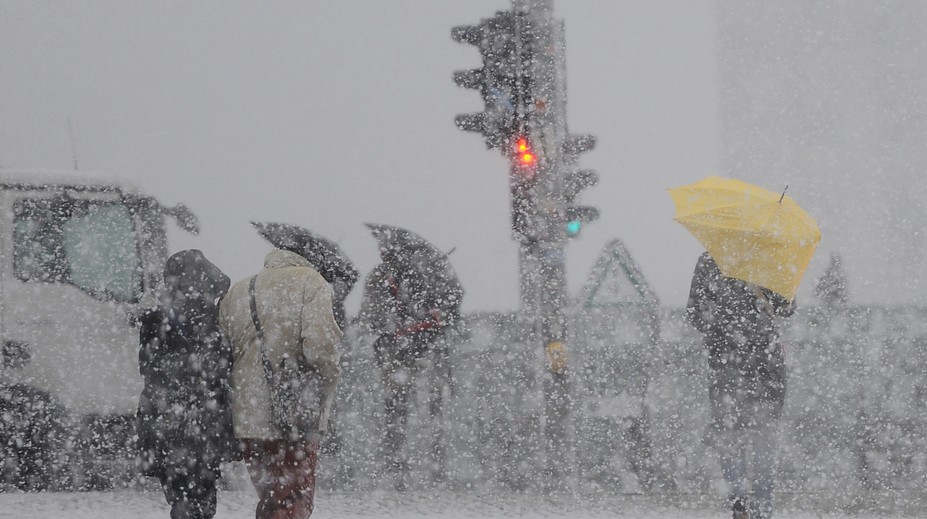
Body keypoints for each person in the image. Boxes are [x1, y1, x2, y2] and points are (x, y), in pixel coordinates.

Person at [219, 249, 342, 519]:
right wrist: (327, 385)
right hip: (295, 413)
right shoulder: (311, 282)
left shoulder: (240, 289)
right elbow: (321, 348)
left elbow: (223, 351)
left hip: (248, 416)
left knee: (271, 498)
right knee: (294, 501)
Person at [685, 251, 795, 519]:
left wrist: (723, 327)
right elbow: (787, 308)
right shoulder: (771, 256)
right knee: (764, 438)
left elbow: (694, 313)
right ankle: (762, 507)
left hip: (726, 362)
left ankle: (739, 505)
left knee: (730, 434)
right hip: (767, 362)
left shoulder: (711, 258)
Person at [136, 249, 238, 519]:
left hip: (165, 414)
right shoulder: (215, 314)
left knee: (179, 493)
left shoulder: (155, 312)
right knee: (203, 493)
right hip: (204, 416)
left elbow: (146, 365)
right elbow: (223, 364)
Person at [358, 251, 462, 489]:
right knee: (420, 410)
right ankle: (427, 468)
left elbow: (372, 316)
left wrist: (393, 330)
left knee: (400, 409)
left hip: (404, 353)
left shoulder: (384, 278)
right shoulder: (432, 275)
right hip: (422, 351)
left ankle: (403, 467)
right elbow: (449, 314)